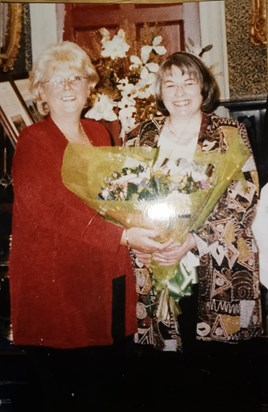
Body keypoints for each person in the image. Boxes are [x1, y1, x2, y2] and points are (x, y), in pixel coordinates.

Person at [8, 40, 169, 412]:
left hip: (107, 275)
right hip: (59, 285)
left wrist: (145, 230)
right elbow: (53, 210)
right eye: (56, 79)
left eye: (75, 78)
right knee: (69, 393)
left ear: (88, 87)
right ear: (41, 91)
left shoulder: (100, 134)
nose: (67, 87)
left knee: (109, 389)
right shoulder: (34, 141)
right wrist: (124, 236)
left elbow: (120, 196)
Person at [124, 51, 263, 411]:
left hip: (218, 267)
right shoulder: (140, 134)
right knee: (168, 377)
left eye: (189, 82)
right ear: (160, 91)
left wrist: (193, 240)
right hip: (158, 267)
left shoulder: (230, 132)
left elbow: (244, 198)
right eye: (170, 84)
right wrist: (146, 237)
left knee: (221, 379)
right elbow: (122, 195)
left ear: (203, 87)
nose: (180, 92)